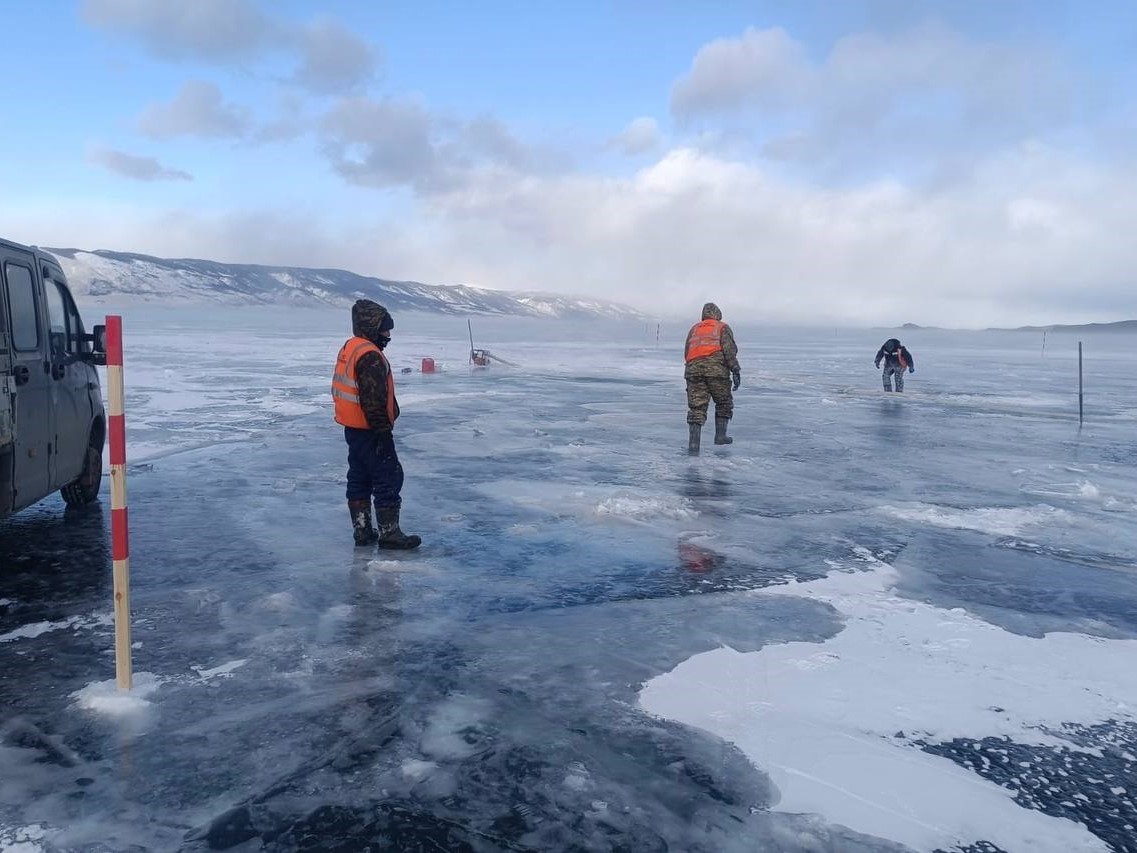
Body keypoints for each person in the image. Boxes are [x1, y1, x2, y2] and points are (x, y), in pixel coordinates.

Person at [332, 299, 421, 549]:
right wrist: (383, 433)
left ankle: (362, 531)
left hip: (354, 430)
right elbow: (373, 401)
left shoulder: (352, 347)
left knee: (359, 476)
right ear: (372, 328)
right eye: (385, 329)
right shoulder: (369, 356)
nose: (388, 335)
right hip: (371, 430)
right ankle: (389, 532)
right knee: (388, 475)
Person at [684, 302, 741, 454]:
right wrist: (735, 370)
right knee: (723, 402)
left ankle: (694, 445)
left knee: (696, 408)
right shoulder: (722, 327)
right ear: (718, 314)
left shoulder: (694, 329)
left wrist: (693, 369)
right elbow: (729, 351)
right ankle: (720, 436)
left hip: (694, 371)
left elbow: (687, 351)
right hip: (716, 371)